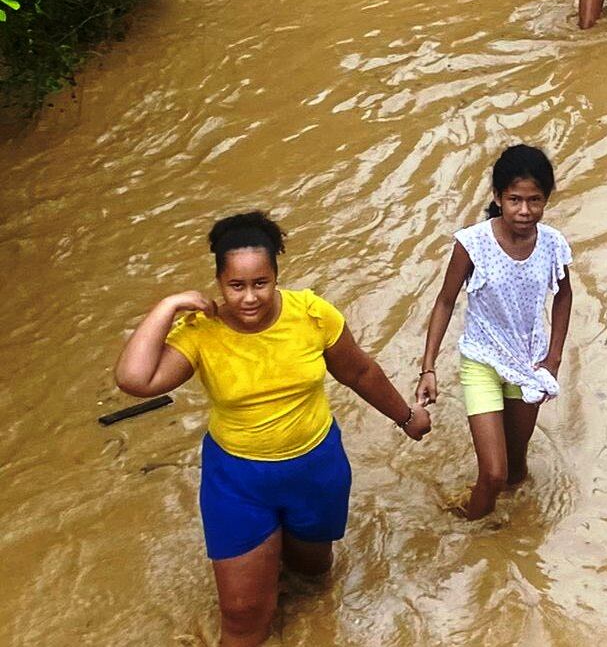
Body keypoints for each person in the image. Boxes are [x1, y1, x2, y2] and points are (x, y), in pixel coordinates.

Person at [113, 211, 431, 647]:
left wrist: (407, 418)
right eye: (235, 286)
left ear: (276, 276)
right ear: (219, 282)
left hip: (315, 470)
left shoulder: (311, 315)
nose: (248, 298)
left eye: (260, 283)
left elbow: (359, 372)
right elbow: (135, 380)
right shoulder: (201, 331)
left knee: (312, 579)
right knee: (243, 617)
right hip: (238, 481)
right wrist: (167, 306)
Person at [418, 145, 573, 520]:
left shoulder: (552, 244)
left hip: (527, 363)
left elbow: (564, 295)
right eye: (515, 199)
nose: (524, 211)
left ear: (546, 199)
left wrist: (552, 358)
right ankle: (470, 532)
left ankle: (506, 544)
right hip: (482, 360)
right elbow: (444, 302)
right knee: (493, 472)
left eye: (535, 200)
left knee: (517, 471)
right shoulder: (472, 244)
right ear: (497, 198)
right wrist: (428, 367)